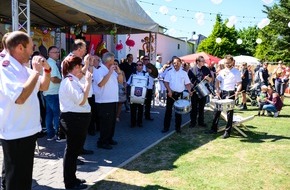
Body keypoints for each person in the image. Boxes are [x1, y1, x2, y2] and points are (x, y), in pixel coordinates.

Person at [0, 31, 51, 190]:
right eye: (31, 47)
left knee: (24, 177)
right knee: (16, 180)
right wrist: (36, 71)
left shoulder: (22, 67)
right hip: (15, 132)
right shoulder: (5, 66)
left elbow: (43, 86)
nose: (33, 51)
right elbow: (20, 98)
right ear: (20, 47)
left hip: (27, 130)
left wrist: (47, 71)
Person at [59, 55, 92, 189]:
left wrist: (86, 84)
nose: (81, 69)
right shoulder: (69, 81)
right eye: (79, 66)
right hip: (73, 119)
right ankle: (70, 182)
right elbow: (81, 100)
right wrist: (88, 83)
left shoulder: (74, 81)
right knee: (72, 152)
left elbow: (86, 96)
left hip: (79, 118)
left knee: (75, 151)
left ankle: (73, 178)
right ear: (75, 67)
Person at [207, 55, 242, 139]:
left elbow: (239, 83)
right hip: (222, 93)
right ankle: (213, 129)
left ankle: (227, 132)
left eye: (229, 63)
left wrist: (237, 91)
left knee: (229, 113)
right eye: (226, 63)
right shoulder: (222, 71)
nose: (227, 64)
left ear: (232, 62)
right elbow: (217, 81)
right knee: (217, 111)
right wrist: (217, 89)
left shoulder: (236, 72)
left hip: (230, 93)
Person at [93, 52, 123, 150]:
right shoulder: (99, 70)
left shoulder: (113, 70)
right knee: (105, 123)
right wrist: (109, 72)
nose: (114, 62)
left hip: (112, 99)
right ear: (109, 61)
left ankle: (109, 138)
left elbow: (121, 81)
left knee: (111, 122)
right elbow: (101, 84)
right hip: (103, 101)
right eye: (113, 60)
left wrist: (118, 72)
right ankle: (102, 141)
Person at [162, 56, 192, 133]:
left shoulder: (184, 73)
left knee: (178, 112)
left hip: (179, 95)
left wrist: (189, 91)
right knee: (168, 111)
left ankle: (178, 128)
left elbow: (187, 83)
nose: (176, 64)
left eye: (177, 63)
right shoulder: (169, 72)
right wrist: (169, 91)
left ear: (180, 63)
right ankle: (166, 127)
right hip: (171, 94)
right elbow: (166, 82)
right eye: (174, 63)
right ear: (172, 63)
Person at [43, 46, 62, 141]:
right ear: (49, 53)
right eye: (55, 52)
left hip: (48, 92)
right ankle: (58, 135)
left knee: (49, 114)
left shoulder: (49, 63)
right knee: (56, 114)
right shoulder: (52, 64)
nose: (58, 53)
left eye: (58, 52)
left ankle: (51, 134)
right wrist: (62, 80)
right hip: (53, 92)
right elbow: (54, 79)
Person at [188, 56, 212, 128]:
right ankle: (193, 122)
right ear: (197, 62)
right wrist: (190, 88)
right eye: (202, 61)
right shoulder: (192, 70)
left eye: (204, 61)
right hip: (194, 91)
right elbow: (188, 81)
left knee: (202, 107)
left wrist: (208, 78)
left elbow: (211, 79)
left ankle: (201, 122)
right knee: (194, 107)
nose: (204, 62)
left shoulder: (206, 69)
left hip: (203, 90)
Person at [127, 60, 149, 128]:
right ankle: (132, 123)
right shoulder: (133, 74)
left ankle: (140, 122)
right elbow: (128, 83)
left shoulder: (146, 74)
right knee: (133, 109)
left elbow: (147, 84)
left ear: (142, 66)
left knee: (141, 109)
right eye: (137, 65)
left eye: (140, 65)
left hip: (142, 94)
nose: (138, 66)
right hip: (133, 94)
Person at [143, 55, 155, 120]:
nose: (147, 60)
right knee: (141, 102)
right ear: (143, 60)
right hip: (143, 87)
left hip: (149, 87)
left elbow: (155, 75)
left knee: (148, 103)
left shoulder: (152, 67)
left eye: (148, 59)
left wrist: (151, 71)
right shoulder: (141, 67)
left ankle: (147, 116)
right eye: (145, 59)